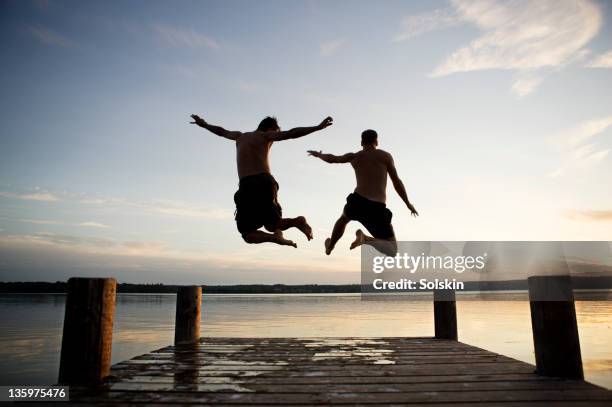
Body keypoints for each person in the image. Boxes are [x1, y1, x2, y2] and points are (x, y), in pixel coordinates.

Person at [190, 114, 333, 247]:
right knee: (272, 225)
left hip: (246, 185)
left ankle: (278, 235)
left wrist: (204, 125)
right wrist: (317, 127)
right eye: (275, 132)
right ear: (271, 129)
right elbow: (291, 133)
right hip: (264, 182)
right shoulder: (266, 136)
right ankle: (295, 223)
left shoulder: (239, 136)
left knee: (247, 232)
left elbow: (221, 131)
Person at [308, 129, 418, 256]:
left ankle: (330, 246)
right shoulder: (385, 156)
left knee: (343, 219)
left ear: (361, 142)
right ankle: (366, 239)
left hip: (358, 201)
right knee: (392, 250)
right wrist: (407, 203)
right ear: (376, 141)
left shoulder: (355, 157)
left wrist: (319, 155)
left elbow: (333, 159)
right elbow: (396, 182)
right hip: (377, 207)